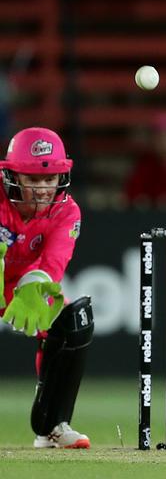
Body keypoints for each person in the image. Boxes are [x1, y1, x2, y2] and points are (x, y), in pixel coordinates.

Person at [0, 127, 94, 449]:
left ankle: (51, 425)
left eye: (49, 180)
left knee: (73, 322)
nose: (42, 190)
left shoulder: (67, 212)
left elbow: (53, 264)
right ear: (13, 176)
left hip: (21, 283)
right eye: (33, 180)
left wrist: (34, 283)